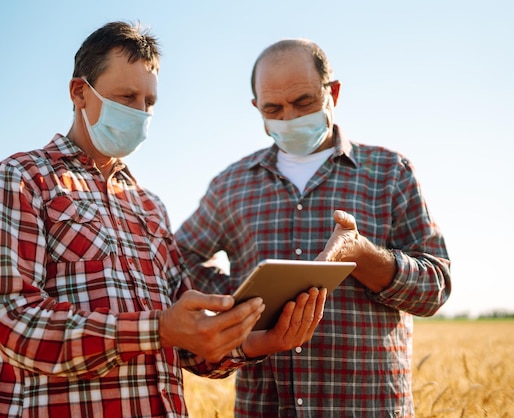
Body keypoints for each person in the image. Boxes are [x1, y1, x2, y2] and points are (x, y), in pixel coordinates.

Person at [0, 23, 326, 417]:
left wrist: (260, 341)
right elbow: (16, 323)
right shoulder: (25, 178)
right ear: (79, 93)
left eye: (148, 102)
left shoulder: (148, 206)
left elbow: (187, 342)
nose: (139, 113)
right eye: (126, 97)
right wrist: (157, 328)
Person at [175, 38, 452, 417]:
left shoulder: (390, 172)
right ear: (257, 108)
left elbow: (435, 288)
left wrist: (360, 254)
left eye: (303, 102)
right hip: (265, 405)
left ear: (332, 92)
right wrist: (240, 300)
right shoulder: (231, 184)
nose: (289, 117)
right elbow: (177, 260)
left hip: (368, 406)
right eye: (273, 108)